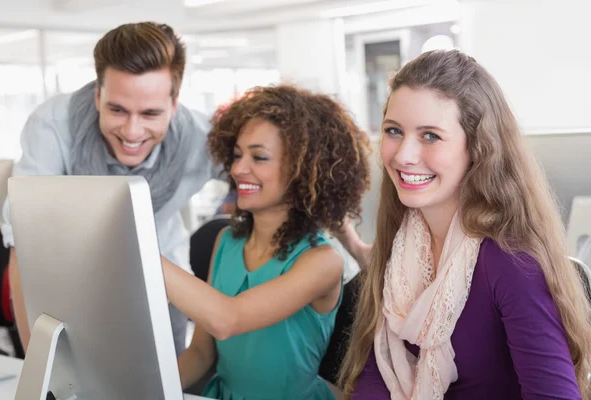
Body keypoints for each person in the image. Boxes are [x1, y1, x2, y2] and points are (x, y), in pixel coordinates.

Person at [338, 49, 591, 400]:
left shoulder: (510, 261)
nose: (403, 154)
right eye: (394, 131)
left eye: (430, 136)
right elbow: (375, 377)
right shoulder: (404, 240)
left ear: (478, 148)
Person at [1, 22, 220, 356]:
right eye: (117, 109)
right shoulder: (54, 126)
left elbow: (266, 178)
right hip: (71, 293)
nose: (132, 132)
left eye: (150, 113)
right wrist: (38, 364)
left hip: (162, 292)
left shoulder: (200, 138)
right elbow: (24, 245)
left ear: (174, 106)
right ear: (98, 95)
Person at [160, 84, 371, 399]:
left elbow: (227, 320)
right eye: (236, 155)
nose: (237, 169)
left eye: (259, 157)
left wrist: (140, 253)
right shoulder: (227, 241)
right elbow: (202, 354)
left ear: (302, 169)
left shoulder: (321, 261)